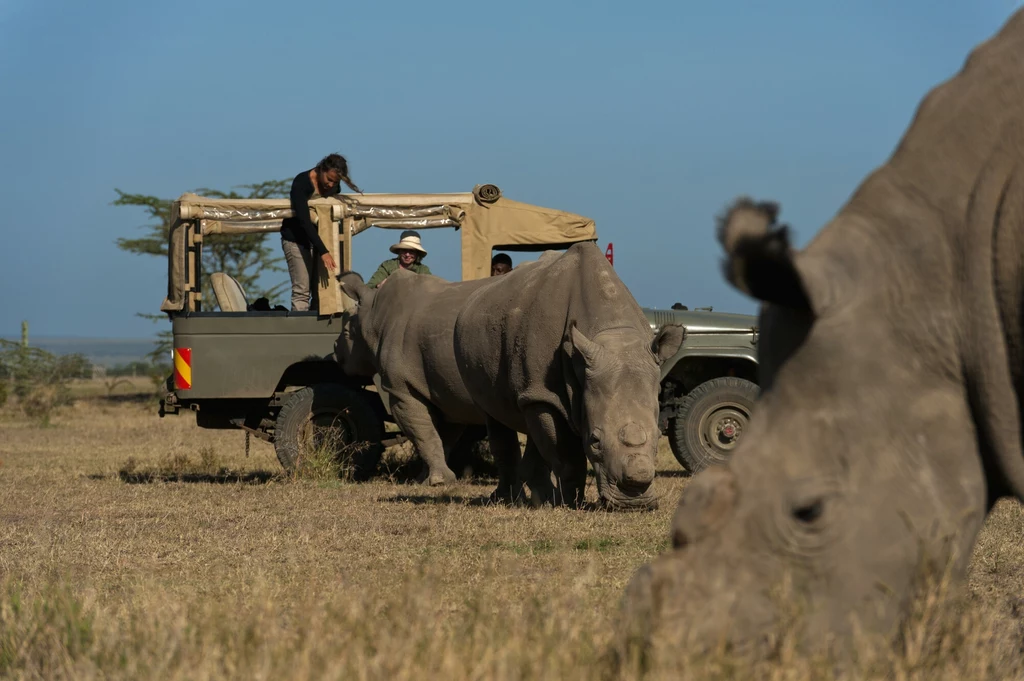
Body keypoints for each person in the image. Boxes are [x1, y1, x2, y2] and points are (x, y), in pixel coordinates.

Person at [280, 153, 361, 311]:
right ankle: (300, 330)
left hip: (319, 240)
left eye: (335, 182)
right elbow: (303, 219)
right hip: (296, 239)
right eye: (329, 180)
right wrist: (324, 251)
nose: (331, 185)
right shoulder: (302, 182)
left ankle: (318, 329)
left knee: (322, 291)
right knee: (302, 290)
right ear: (321, 170)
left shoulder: (334, 187)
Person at [367, 230, 432, 288]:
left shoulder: (423, 270)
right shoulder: (388, 266)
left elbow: (431, 289)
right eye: (404, 250)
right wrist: (379, 286)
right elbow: (370, 287)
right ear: (399, 251)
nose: (407, 255)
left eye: (411, 251)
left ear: (417, 253)